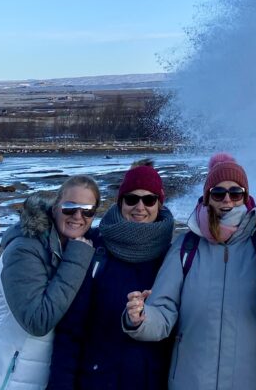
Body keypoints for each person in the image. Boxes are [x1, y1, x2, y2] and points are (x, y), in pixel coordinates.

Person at [125, 152, 256, 389]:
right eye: (218, 193)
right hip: (190, 381)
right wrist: (141, 318)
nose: (227, 200)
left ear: (246, 197)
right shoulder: (187, 246)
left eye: (236, 193)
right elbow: (163, 312)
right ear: (207, 198)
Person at [0, 175, 100, 390]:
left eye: (87, 210)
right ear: (56, 207)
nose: (78, 216)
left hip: (36, 375)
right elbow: (38, 320)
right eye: (70, 208)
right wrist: (78, 260)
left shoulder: (69, 247)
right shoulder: (25, 249)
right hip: (1, 377)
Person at [47, 159, 175, 389]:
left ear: (159, 203)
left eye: (149, 199)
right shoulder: (93, 247)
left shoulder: (172, 255)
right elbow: (70, 330)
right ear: (120, 201)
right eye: (131, 198)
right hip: (96, 380)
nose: (140, 206)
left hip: (150, 381)